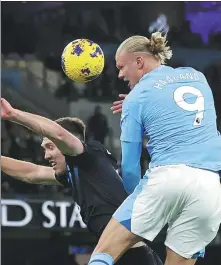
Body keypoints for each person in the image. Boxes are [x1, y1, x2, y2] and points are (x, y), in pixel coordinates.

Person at [87, 32, 221, 265]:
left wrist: (134, 200)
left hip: (166, 178)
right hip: (209, 187)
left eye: (121, 67)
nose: (119, 74)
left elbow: (129, 165)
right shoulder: (197, 76)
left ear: (139, 61)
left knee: (104, 253)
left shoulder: (135, 98)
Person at [0, 98, 163, 265]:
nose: (46, 155)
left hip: (132, 256)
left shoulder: (90, 157)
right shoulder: (77, 171)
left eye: (50, 147)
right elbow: (33, 173)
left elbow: (59, 133)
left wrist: (13, 114)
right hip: (126, 254)